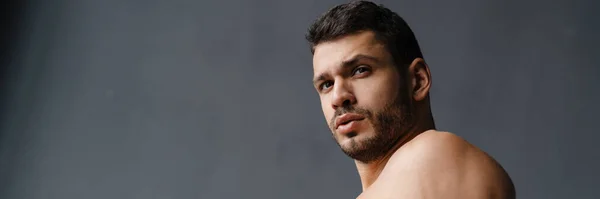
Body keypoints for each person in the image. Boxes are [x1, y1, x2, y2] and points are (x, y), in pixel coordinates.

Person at [306, 1, 516, 198]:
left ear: (417, 80)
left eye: (360, 70)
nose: (339, 96)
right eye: (326, 84)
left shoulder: (435, 154)